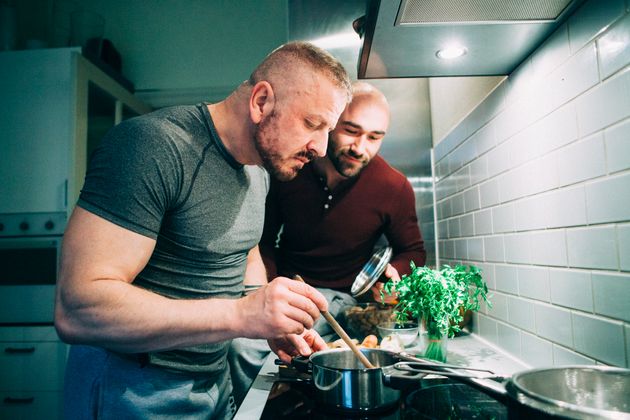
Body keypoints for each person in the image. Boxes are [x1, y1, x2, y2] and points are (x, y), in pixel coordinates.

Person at [54, 41, 352, 419]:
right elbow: (76, 309)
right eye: (313, 124)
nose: (322, 148)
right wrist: (243, 315)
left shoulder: (258, 170)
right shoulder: (152, 147)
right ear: (261, 101)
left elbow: (245, 254)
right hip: (133, 391)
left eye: (328, 129)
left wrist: (269, 322)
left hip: (212, 385)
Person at [228, 81, 426, 406]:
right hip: (293, 290)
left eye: (375, 137)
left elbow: (413, 251)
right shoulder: (290, 170)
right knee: (243, 346)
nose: (360, 147)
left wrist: (393, 274)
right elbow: (263, 241)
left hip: (348, 301)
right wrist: (268, 287)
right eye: (351, 131)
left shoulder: (394, 187)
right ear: (331, 124)